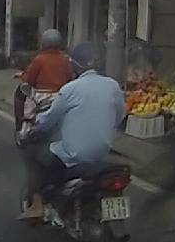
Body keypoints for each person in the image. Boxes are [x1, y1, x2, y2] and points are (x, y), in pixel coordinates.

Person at [17, 42, 126, 222]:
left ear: (75, 65)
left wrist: (35, 127)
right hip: (102, 152)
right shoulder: (113, 86)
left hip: (74, 155)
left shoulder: (71, 89)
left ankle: (38, 204)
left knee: (33, 153)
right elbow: (120, 115)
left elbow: (49, 119)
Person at [14, 29, 74, 134]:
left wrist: (22, 76)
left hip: (41, 96)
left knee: (20, 92)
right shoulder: (65, 59)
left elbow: (30, 80)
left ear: (44, 43)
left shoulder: (39, 59)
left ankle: (21, 126)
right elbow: (70, 79)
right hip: (61, 96)